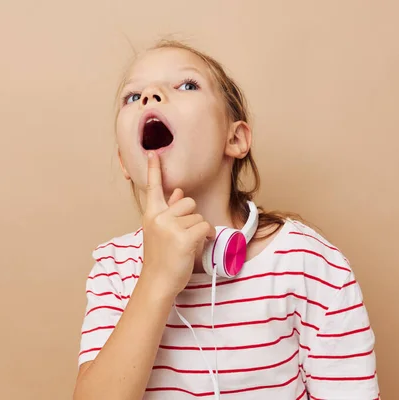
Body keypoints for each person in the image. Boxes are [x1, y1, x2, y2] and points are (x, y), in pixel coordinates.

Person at [73, 40, 380, 400]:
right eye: (132, 95)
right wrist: (155, 279)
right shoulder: (114, 267)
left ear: (234, 138)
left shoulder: (310, 264)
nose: (150, 96)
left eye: (186, 85)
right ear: (125, 162)